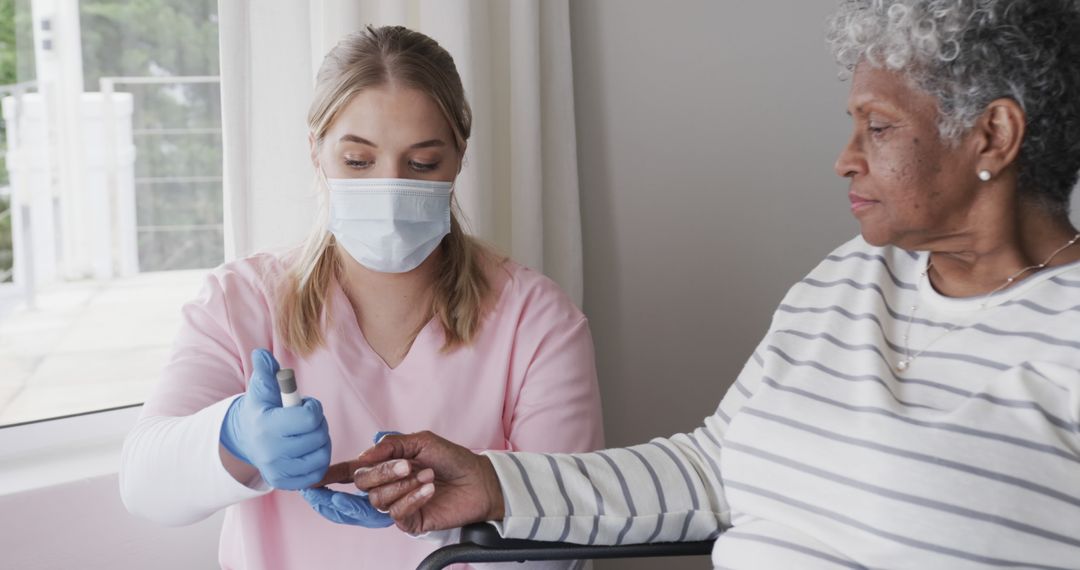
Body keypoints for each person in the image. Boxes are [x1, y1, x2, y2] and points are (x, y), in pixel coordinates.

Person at [346, 1, 1080, 568]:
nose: (846, 159)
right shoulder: (847, 280)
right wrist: (495, 482)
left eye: (878, 128)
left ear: (994, 135)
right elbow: (710, 469)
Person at [119, 25, 603, 570]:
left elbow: (566, 537)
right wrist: (235, 436)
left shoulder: (536, 320)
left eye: (422, 165)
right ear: (316, 151)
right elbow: (144, 485)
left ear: (459, 157)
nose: (390, 187)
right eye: (358, 161)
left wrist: (470, 501)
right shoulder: (241, 301)